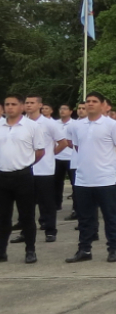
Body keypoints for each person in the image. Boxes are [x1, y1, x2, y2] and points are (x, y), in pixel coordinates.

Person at [65, 92, 116, 263]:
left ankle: (113, 248)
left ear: (103, 105)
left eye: (94, 101)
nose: (90, 104)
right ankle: (84, 249)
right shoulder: (77, 126)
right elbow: (76, 146)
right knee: (85, 218)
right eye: (88, 101)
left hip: (105, 179)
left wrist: (106, 161)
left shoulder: (112, 125)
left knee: (111, 216)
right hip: (83, 179)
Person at [1, 94, 48, 264]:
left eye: (14, 104)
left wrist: (25, 163)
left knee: (27, 216)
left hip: (23, 176)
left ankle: (30, 250)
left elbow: (40, 151)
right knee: (3, 216)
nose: (10, 107)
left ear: (21, 107)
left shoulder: (32, 126)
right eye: (7, 104)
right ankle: (2, 251)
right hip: (2, 176)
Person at [23, 95, 67, 242]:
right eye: (26, 103)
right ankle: (25, 231)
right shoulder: (22, 123)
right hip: (25, 169)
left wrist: (50, 154)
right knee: (26, 203)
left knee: (47, 202)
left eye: (32, 103)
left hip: (44, 169)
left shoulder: (49, 123)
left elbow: (63, 142)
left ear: (40, 105)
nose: (28, 105)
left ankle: (50, 230)